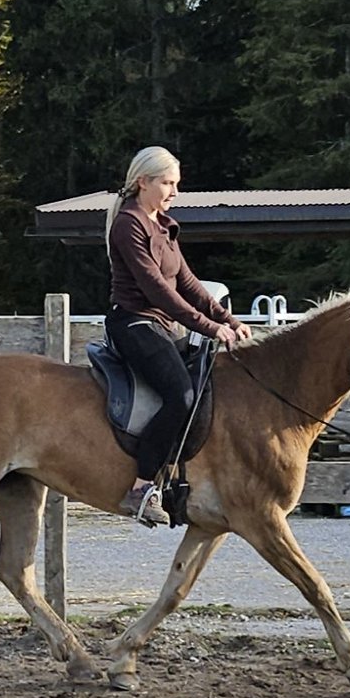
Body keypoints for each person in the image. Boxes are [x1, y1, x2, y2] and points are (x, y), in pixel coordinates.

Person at [104, 146, 253, 526]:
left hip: (164, 325)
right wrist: (209, 327)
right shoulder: (129, 225)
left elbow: (187, 282)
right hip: (135, 324)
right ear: (143, 182)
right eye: (168, 183)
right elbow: (158, 292)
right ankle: (140, 488)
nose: (174, 192)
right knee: (180, 394)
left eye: (176, 184)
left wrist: (228, 319)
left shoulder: (163, 225)